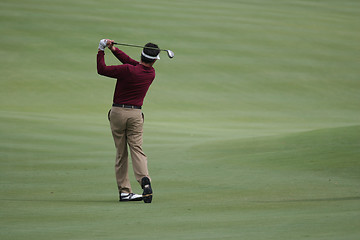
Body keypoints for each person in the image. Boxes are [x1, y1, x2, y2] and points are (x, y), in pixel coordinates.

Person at [97, 39, 159, 203]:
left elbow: (101, 69)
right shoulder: (150, 74)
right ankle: (144, 180)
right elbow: (133, 64)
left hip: (118, 113)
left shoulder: (127, 70)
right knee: (137, 150)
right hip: (136, 115)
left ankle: (125, 192)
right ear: (154, 60)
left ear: (141, 55)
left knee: (121, 152)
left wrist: (101, 49)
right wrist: (114, 50)